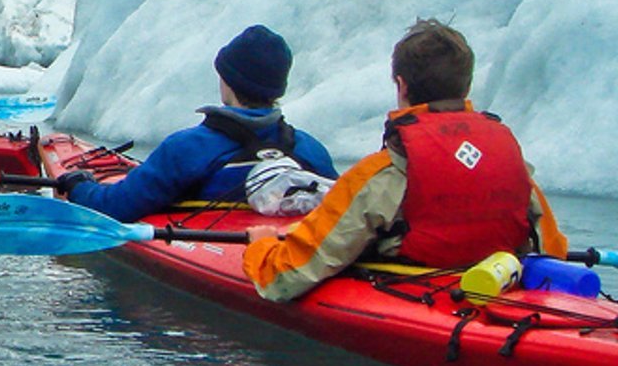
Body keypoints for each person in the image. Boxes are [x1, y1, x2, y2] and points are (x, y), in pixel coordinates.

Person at [242, 18, 568, 302]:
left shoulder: (381, 173)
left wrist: (262, 247)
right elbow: (554, 250)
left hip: (417, 294)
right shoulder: (508, 163)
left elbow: (283, 280)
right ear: (466, 86)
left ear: (401, 85)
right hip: (496, 295)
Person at [54, 24, 337, 222]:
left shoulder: (188, 148)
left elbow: (114, 208)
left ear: (228, 82)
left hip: (215, 253)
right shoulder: (310, 150)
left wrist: (79, 187)